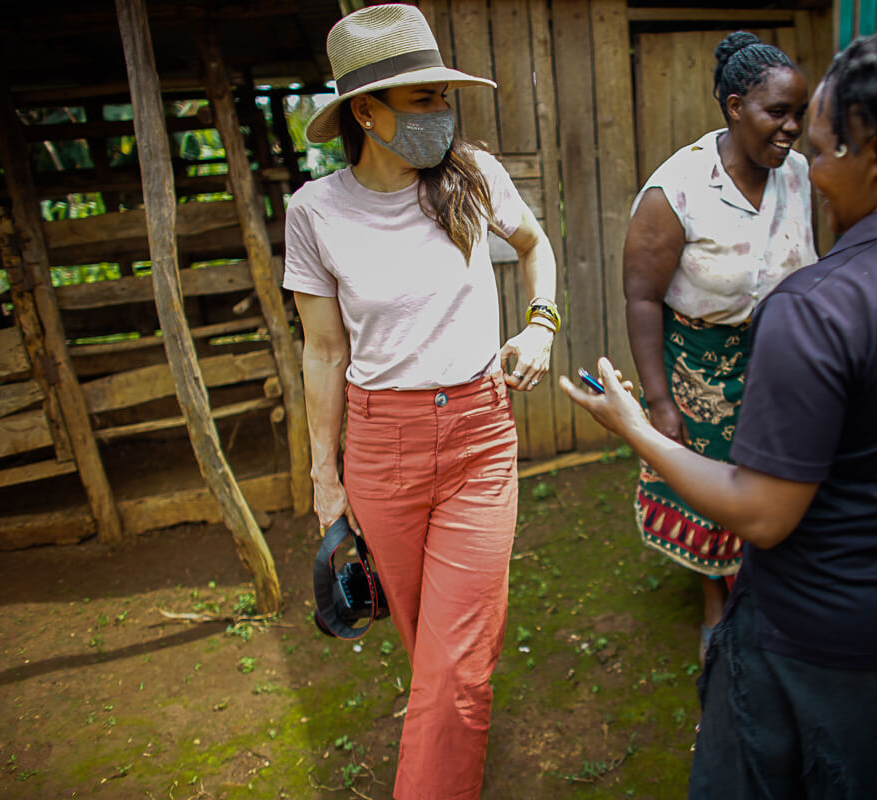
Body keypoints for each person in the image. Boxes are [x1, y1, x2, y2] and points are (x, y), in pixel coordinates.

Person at [563, 21, 877, 796]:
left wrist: (630, 427)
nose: (809, 172)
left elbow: (763, 514)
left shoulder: (818, 310)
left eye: (825, 151)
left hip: (819, 643)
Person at [282, 6, 559, 798]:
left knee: (458, 670)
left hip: (478, 436)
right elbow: (325, 351)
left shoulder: (473, 175)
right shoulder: (315, 213)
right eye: (423, 100)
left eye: (443, 96)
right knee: (431, 655)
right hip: (381, 452)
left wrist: (540, 325)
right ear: (365, 112)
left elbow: (535, 245)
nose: (443, 114)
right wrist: (323, 481)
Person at [623, 31, 816, 655]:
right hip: (701, 364)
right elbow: (643, 297)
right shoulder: (676, 190)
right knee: (710, 485)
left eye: (799, 115)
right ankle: (715, 595)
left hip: (778, 355)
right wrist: (659, 400)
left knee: (773, 475)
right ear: (735, 107)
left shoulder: (799, 176)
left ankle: (764, 588)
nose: (792, 128)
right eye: (777, 113)